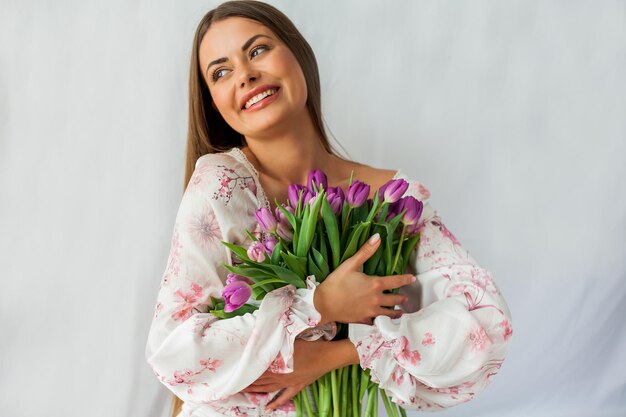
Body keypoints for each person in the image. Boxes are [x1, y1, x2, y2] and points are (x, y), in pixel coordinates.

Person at [144, 1, 513, 416]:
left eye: (258, 50)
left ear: (298, 54)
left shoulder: (391, 197)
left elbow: (485, 322)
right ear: (214, 102)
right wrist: (319, 304)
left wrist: (344, 351)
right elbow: (172, 351)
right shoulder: (222, 188)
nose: (244, 74)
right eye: (221, 71)